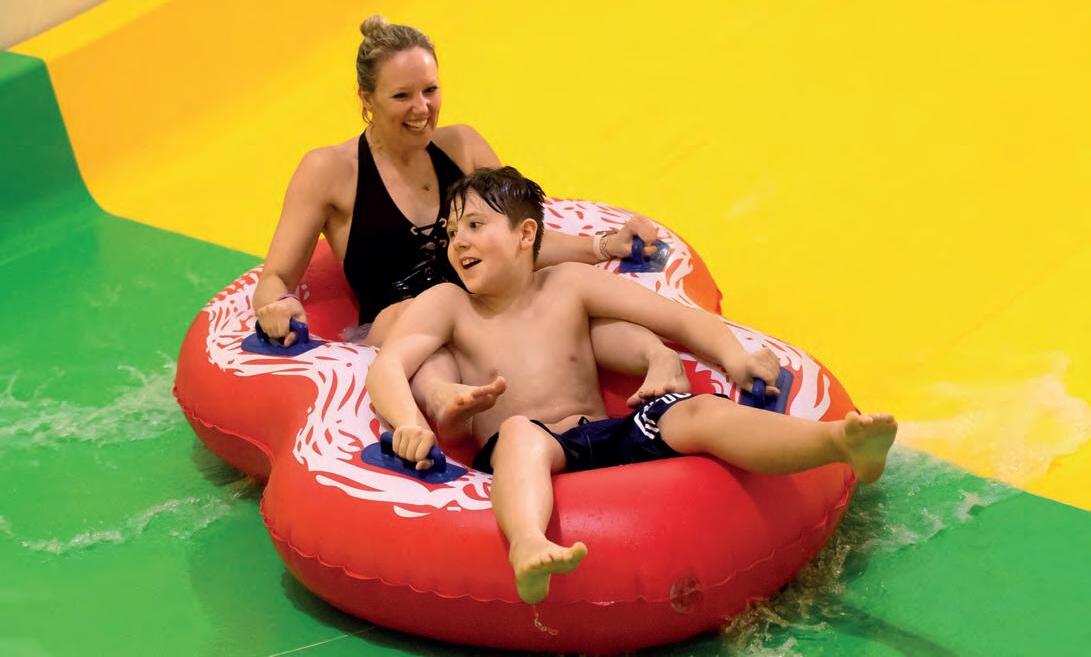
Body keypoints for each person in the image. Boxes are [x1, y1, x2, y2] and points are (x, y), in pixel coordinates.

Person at [366, 166, 898, 605]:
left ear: (525, 235)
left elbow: (678, 319)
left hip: (606, 433)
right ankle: (528, 542)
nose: (458, 242)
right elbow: (387, 367)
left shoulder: (567, 285)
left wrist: (734, 357)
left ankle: (838, 443)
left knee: (696, 411)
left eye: (475, 225)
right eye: (452, 232)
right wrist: (410, 423)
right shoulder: (449, 305)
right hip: (534, 444)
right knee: (521, 435)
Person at [252, 15, 688, 438]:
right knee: (415, 317)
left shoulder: (463, 145)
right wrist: (277, 305)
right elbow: (276, 277)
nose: (422, 108)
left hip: (487, 306)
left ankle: (661, 359)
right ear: (366, 98)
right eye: (402, 96)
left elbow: (521, 240)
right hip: (398, 325)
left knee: (561, 301)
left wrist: (605, 246)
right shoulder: (328, 171)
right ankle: (439, 401)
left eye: (430, 90)